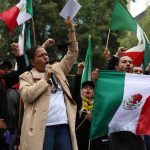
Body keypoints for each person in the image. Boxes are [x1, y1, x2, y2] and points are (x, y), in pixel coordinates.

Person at [19, 17, 78, 150]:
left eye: (46, 54)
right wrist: (45, 79)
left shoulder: (57, 69)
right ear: (32, 62)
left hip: (63, 126)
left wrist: (71, 29)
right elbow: (27, 96)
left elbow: (73, 52)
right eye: (41, 55)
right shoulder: (26, 76)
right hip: (43, 129)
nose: (46, 57)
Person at [109, 55, 146, 150]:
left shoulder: (142, 85)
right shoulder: (111, 83)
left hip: (136, 133)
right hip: (117, 133)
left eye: (130, 62)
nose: (128, 64)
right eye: (124, 62)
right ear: (117, 67)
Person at [0, 43, 26, 150]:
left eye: (8, 68)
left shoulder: (3, 80)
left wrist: (18, 54)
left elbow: (22, 72)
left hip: (3, 133)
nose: (6, 70)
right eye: (3, 68)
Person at [73, 62, 103, 150]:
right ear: (81, 91)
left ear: (94, 92)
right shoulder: (78, 102)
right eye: (85, 87)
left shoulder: (97, 103)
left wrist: (93, 119)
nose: (88, 89)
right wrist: (79, 72)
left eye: (91, 88)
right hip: (79, 139)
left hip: (94, 139)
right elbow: (75, 89)